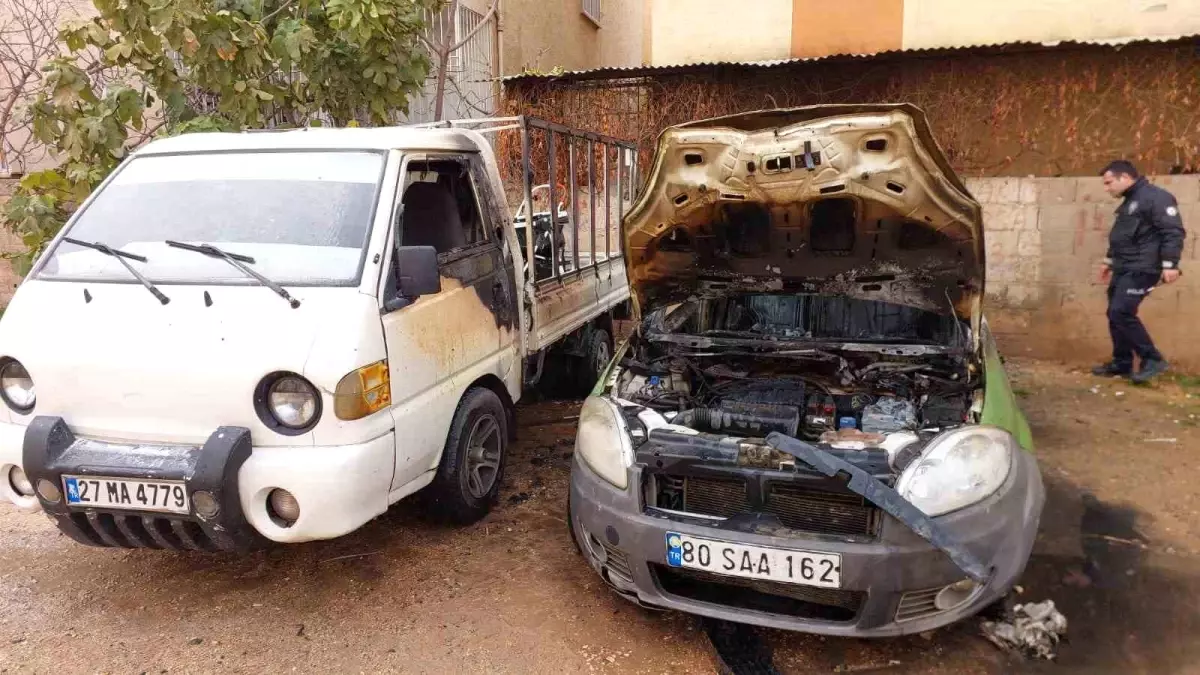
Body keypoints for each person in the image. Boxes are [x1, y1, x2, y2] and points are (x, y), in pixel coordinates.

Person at [1092, 160, 1185, 383]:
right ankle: (1122, 362)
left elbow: (1173, 232)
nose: (1107, 188)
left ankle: (1152, 359)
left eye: (1109, 183)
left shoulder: (1157, 197)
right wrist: (1109, 260)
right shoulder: (1130, 201)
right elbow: (1121, 235)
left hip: (1143, 267)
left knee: (1121, 312)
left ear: (1125, 178)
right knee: (1114, 313)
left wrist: (1170, 264)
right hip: (1124, 266)